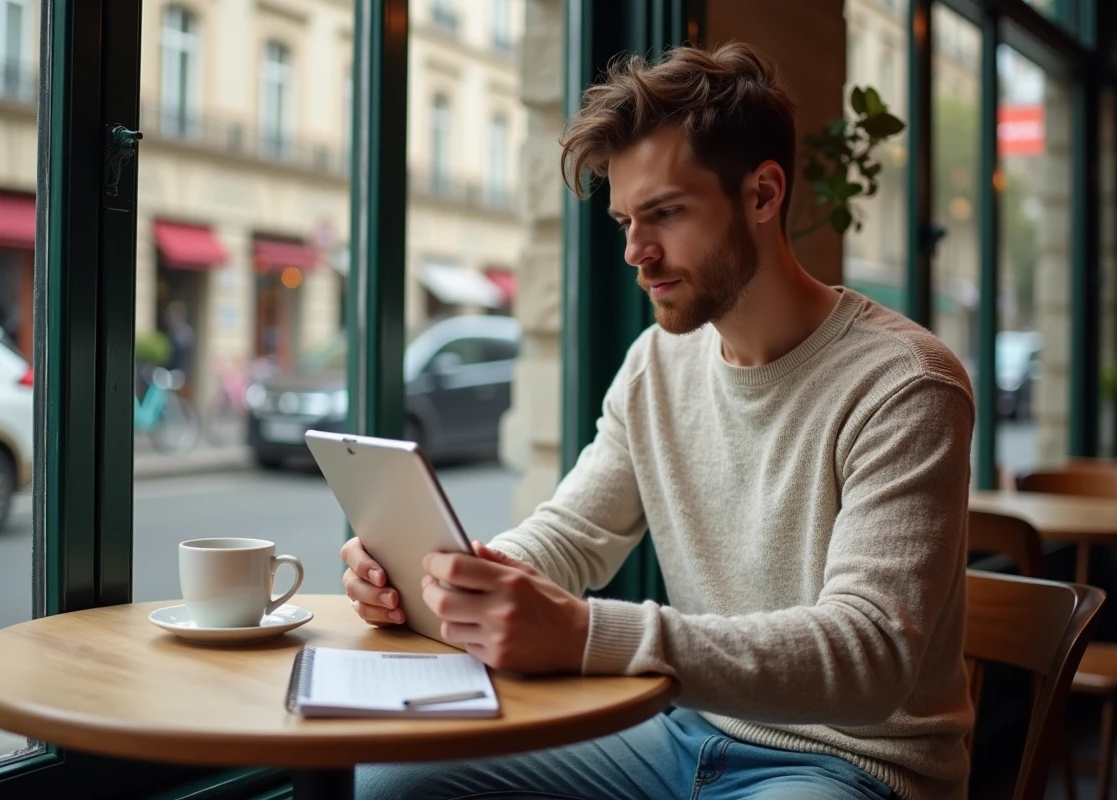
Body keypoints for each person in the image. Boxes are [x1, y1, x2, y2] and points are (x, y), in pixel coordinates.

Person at [344, 41, 974, 800]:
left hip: (850, 766)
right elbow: (571, 536)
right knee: (388, 783)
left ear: (764, 194)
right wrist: (451, 578)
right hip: (680, 732)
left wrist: (585, 635)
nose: (636, 252)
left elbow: (869, 656)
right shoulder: (656, 364)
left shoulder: (905, 383)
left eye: (665, 213)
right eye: (623, 221)